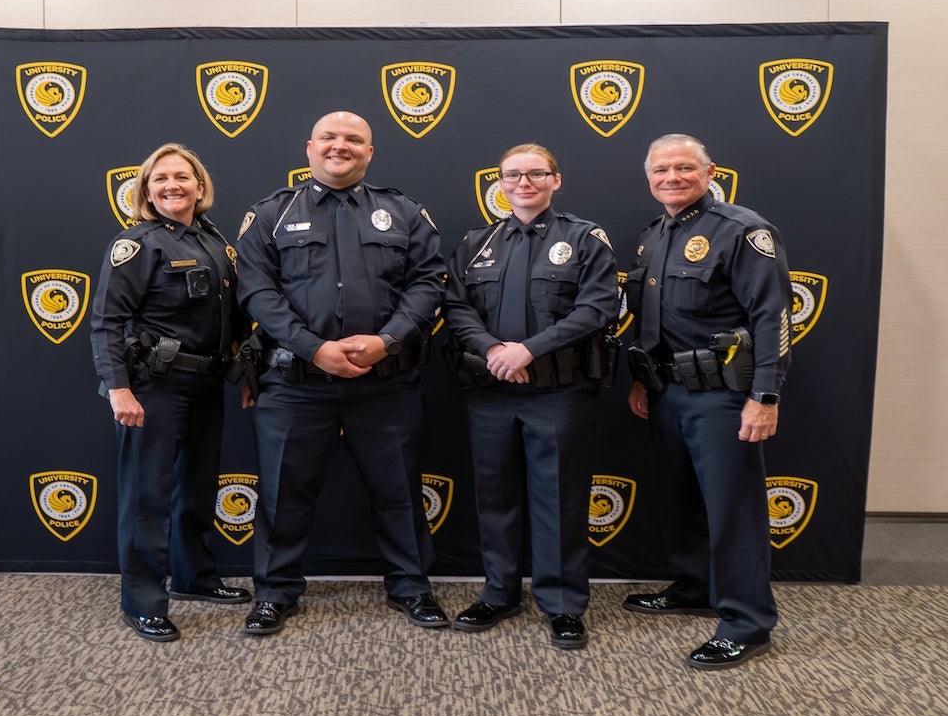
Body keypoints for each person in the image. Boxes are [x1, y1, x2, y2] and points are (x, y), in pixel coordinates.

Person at [233, 111, 448, 635]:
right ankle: (275, 592)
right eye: (329, 137)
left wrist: (386, 340)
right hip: (295, 384)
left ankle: (411, 586)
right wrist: (313, 348)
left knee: (398, 488)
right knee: (283, 493)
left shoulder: (404, 212)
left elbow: (428, 283)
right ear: (309, 147)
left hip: (386, 382)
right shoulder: (271, 215)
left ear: (370, 153)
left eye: (355, 139)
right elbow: (257, 291)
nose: (341, 146)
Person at [622, 133, 792, 669]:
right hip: (667, 390)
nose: (671, 177)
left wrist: (765, 395)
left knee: (733, 510)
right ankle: (695, 586)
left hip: (723, 395)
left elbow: (773, 318)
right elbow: (650, 321)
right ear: (648, 177)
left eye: (684, 168)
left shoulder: (742, 230)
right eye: (660, 170)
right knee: (683, 499)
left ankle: (747, 622)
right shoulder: (653, 236)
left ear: (710, 170)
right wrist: (643, 380)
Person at [442, 144, 620, 649]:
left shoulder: (584, 239)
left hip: (559, 394)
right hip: (491, 392)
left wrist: (528, 351)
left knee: (559, 499)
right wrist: (495, 350)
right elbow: (455, 306)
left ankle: (563, 603)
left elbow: (598, 307)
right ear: (498, 182)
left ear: (555, 180)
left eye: (535, 174)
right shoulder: (477, 243)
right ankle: (499, 592)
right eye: (512, 175)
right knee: (494, 498)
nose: (524, 182)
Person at [91, 143, 252, 643]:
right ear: (146, 191)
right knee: (148, 498)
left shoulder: (218, 244)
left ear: (199, 187)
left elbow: (235, 319)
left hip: (206, 383)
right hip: (154, 388)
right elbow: (106, 323)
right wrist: (118, 389)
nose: (171, 186)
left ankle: (195, 577)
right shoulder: (137, 245)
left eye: (181, 177)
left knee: (197, 489)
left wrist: (247, 373)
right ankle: (142, 602)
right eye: (160, 180)